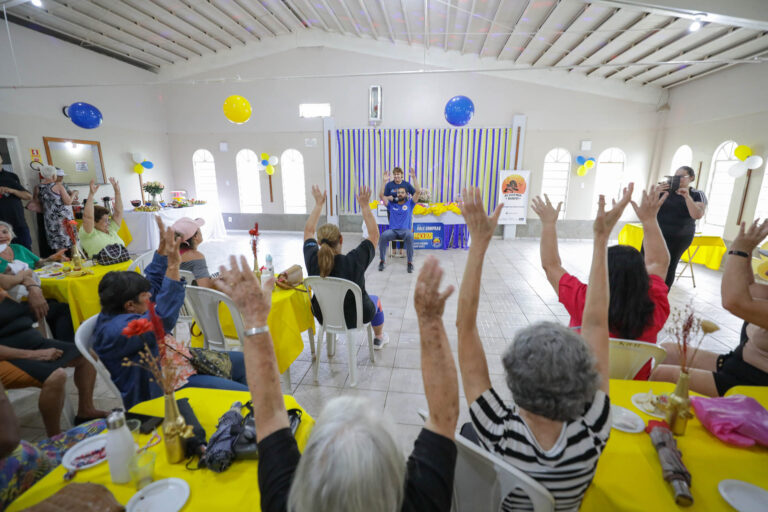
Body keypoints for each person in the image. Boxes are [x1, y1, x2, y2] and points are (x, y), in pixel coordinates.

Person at [215, 253, 458, 512]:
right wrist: (430, 321)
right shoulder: (421, 504)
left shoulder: (285, 503)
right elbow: (444, 415)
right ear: (397, 477)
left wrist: (254, 321)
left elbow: (271, 414)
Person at [457, 185, 618, 511]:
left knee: (466, 431)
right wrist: (601, 240)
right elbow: (598, 325)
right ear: (584, 383)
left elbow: (465, 329)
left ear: (514, 384)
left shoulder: (498, 432)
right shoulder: (594, 430)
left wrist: (478, 248)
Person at [93, 218, 248, 409]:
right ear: (130, 305)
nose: (150, 296)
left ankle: (240, 418)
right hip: (168, 386)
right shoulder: (116, 331)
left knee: (245, 362)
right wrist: (173, 267)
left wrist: (162, 252)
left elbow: (152, 285)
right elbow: (161, 321)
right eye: (145, 296)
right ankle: (236, 415)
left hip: (182, 363)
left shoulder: (124, 309)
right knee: (244, 395)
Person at [532, 184, 671, 380]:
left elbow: (551, 265)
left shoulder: (583, 300)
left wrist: (548, 224)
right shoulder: (656, 307)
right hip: (631, 388)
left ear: (601, 273)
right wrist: (649, 220)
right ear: (642, 276)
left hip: (583, 385)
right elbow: (659, 262)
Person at [652, 219, 768, 396]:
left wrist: (739, 251)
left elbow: (734, 301)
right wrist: (747, 250)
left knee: (661, 375)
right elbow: (748, 289)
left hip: (751, 384)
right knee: (664, 352)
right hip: (736, 365)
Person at [0, 286, 106, 437]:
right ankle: (54, 437)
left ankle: (86, 410)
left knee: (87, 355)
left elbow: (17, 277)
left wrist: (33, 287)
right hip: (9, 356)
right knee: (56, 376)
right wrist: (35, 355)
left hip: (31, 342)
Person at [0, 378, 105, 511]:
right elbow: (8, 438)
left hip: (32, 458)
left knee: (103, 426)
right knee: (106, 430)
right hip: (27, 473)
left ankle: (84, 412)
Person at [303, 185, 388, 349]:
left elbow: (308, 231)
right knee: (376, 301)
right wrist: (365, 206)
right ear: (341, 240)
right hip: (355, 317)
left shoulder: (312, 259)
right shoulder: (354, 261)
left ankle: (332, 334)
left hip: (324, 316)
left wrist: (319, 205)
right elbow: (374, 235)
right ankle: (379, 337)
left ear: (319, 243)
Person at [0, 221, 73, 342]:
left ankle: (60, 343)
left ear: (11, 234)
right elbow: (6, 282)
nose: (2, 236)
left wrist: (52, 258)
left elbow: (38, 263)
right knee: (62, 309)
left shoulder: (19, 248)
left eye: (4, 232)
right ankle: (66, 348)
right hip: (15, 300)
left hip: (37, 289)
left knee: (59, 302)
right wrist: (27, 277)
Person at [657, 166, 707, 288]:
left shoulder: (697, 194)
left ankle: (661, 296)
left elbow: (697, 214)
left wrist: (687, 196)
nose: (677, 179)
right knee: (646, 261)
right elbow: (648, 209)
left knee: (669, 265)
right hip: (657, 232)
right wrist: (655, 192)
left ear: (691, 178)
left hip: (679, 236)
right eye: (675, 176)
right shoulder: (665, 190)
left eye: (681, 177)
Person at [378, 170, 422, 273]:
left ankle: (410, 263)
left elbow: (418, 192)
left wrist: (414, 178)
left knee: (410, 236)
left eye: (402, 193)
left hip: (405, 231)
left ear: (406, 194)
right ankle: (382, 261)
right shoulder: (391, 205)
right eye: (398, 193)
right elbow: (381, 196)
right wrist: (384, 181)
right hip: (393, 231)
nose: (400, 194)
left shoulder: (410, 204)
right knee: (383, 236)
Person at [79, 178, 125, 258]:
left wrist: (117, 192)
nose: (108, 223)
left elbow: (118, 213)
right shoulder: (89, 233)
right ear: (94, 222)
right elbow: (88, 217)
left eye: (108, 220)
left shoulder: (110, 229)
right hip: (104, 267)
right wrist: (91, 195)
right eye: (105, 221)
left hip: (123, 262)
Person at [37, 165, 75, 253]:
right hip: (63, 218)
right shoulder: (58, 186)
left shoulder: (38, 187)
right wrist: (74, 194)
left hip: (50, 219)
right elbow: (68, 202)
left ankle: (62, 262)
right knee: (72, 241)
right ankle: (76, 262)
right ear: (54, 175)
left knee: (58, 245)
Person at [382, 168, 418, 258]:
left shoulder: (406, 184)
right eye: (395, 174)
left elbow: (415, 193)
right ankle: (393, 248)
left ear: (401, 175)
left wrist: (414, 178)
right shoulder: (389, 185)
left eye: (398, 174)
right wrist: (390, 198)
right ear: (393, 175)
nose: (396, 176)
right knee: (393, 228)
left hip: (404, 209)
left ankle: (401, 249)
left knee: (403, 227)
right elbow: (384, 196)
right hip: (392, 209)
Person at [0, 155, 33, 249]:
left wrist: (11, 190)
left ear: (1, 159)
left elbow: (28, 196)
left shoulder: (11, 176)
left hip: (18, 223)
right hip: (1, 227)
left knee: (25, 252)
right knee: (4, 256)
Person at [172, 217, 214, 288]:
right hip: (187, 296)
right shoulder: (196, 257)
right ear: (195, 236)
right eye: (199, 229)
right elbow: (205, 289)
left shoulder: (168, 252)